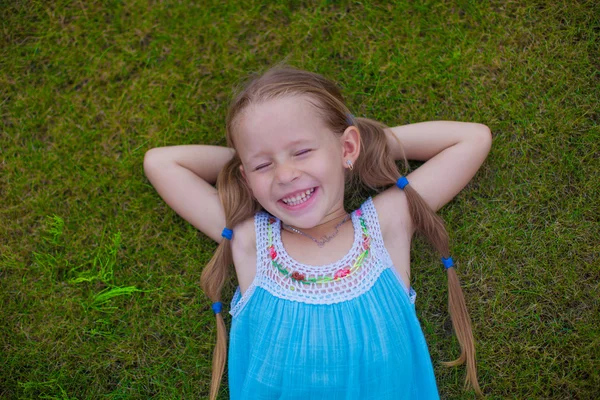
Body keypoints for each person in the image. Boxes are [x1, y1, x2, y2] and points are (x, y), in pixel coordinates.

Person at [143, 66, 492, 399]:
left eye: (303, 151)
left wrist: (363, 141)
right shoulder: (251, 242)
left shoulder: (385, 224)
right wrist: (246, 162)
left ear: (347, 149)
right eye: (264, 165)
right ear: (246, 179)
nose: (284, 174)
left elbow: (471, 139)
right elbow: (161, 163)